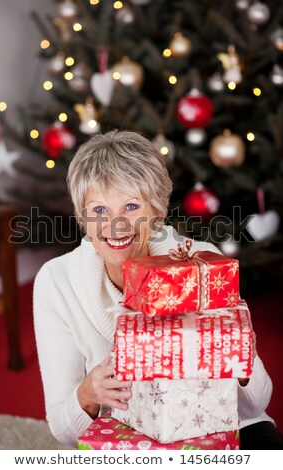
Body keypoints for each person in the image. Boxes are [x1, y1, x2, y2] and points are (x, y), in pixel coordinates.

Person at [33, 129, 283, 449]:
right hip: (127, 436)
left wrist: (240, 356)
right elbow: (63, 430)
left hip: (222, 429)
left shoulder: (203, 267)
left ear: (156, 212)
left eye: (132, 207)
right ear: (82, 217)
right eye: (99, 210)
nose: (116, 225)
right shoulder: (56, 282)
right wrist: (87, 395)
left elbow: (255, 407)